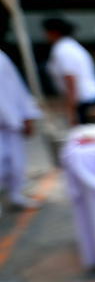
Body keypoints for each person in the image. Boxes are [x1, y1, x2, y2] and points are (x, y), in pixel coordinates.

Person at [0, 50, 43, 210]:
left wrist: (27, 114)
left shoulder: (1, 57)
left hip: (9, 119)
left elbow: (16, 87)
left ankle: (15, 195)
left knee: (16, 162)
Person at [43, 17, 95, 125]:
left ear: (53, 33)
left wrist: (71, 111)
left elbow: (71, 80)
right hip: (88, 99)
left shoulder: (63, 50)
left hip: (85, 102)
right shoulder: (69, 46)